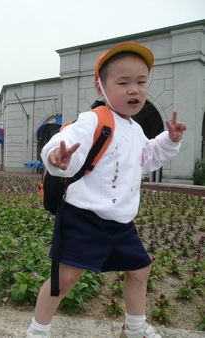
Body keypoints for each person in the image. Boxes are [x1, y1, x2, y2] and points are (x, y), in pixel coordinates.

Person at [25, 42, 187, 338]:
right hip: (83, 216)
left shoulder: (136, 130)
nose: (133, 90)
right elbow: (66, 141)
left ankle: (135, 327)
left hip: (121, 221)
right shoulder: (94, 119)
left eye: (141, 82)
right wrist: (57, 157)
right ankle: (37, 331)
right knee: (66, 277)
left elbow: (146, 158)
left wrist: (169, 140)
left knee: (140, 269)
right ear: (101, 87)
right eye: (123, 83)